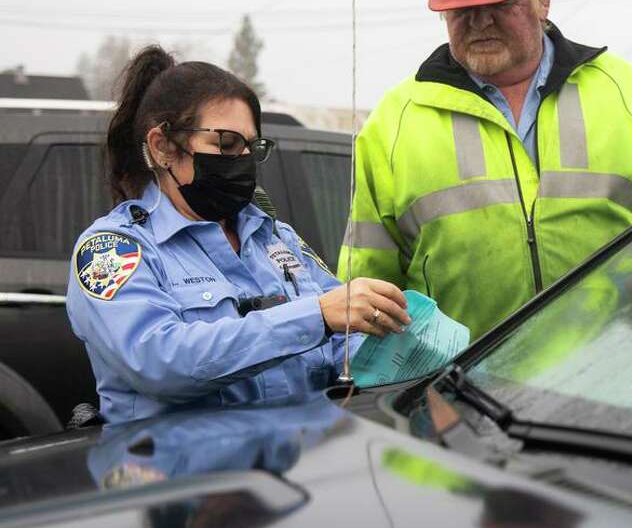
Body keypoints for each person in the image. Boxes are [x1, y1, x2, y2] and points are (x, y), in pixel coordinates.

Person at [337, 0, 632, 340]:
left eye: (499, 3)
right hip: (463, 393)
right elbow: (367, 289)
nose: (480, 22)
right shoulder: (395, 120)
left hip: (615, 376)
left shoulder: (626, 93)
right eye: (461, 9)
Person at [67, 46, 411, 424]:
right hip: (182, 474)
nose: (243, 159)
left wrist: (398, 345)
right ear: (163, 146)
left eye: (252, 146)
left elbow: (342, 334)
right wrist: (314, 317)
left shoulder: (275, 237)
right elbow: (159, 362)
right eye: (227, 144)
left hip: (293, 467)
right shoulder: (113, 249)